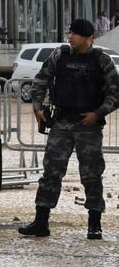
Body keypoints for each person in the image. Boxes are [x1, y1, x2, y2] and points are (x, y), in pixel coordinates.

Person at [19, 18, 119, 240]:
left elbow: (115, 93)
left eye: (75, 34)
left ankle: (95, 224)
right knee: (51, 173)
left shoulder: (101, 61)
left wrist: (98, 113)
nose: (70, 37)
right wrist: (37, 107)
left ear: (88, 38)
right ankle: (41, 222)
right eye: (70, 33)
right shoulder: (60, 55)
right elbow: (41, 80)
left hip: (88, 126)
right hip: (62, 123)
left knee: (92, 175)